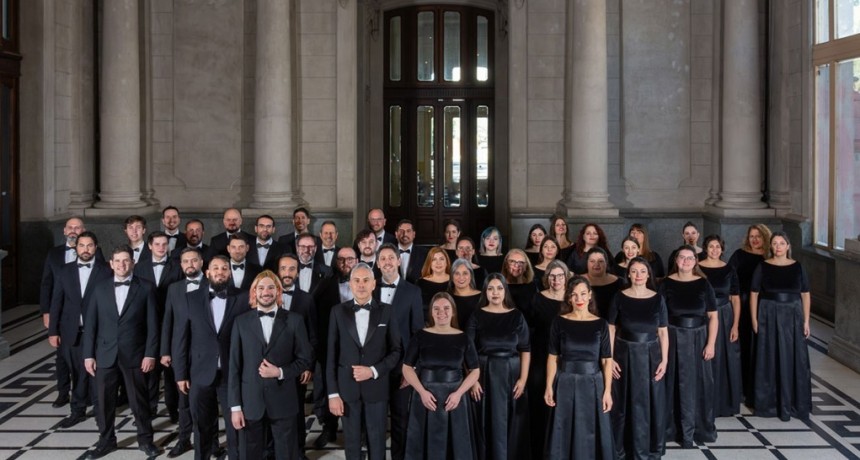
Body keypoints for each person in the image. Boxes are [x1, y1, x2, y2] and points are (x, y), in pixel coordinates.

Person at [82, 245, 161, 459]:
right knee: (104, 402)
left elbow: (154, 325)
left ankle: (146, 440)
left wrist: (150, 354)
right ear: (111, 263)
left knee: (139, 402)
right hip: (104, 355)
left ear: (132, 263)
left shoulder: (146, 287)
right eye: (117, 261)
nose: (121, 265)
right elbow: (90, 325)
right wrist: (88, 355)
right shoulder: (99, 288)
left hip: (135, 355)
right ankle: (106, 441)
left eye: (126, 260)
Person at [228, 271, 313, 460]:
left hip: (284, 401)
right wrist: (235, 408)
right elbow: (234, 367)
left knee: (287, 454)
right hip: (251, 402)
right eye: (261, 288)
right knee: (250, 454)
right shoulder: (240, 323)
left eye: (270, 287)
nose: (265, 292)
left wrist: (280, 372)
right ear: (254, 293)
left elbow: (305, 360)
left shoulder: (295, 320)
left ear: (278, 292)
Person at [173, 255, 247, 460]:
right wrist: (180, 374)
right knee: (202, 424)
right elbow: (181, 338)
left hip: (232, 373)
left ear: (230, 273)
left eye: (225, 268)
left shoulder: (242, 298)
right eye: (216, 268)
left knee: (236, 422)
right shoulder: (191, 298)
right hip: (199, 371)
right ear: (207, 272)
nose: (220, 272)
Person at [326, 263, 403, 460]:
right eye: (356, 281)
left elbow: (396, 351)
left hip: (377, 389)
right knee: (351, 444)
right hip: (347, 390)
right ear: (350, 284)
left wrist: (373, 371)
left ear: (374, 284)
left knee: (377, 443)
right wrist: (333, 393)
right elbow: (331, 356)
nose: (361, 285)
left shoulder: (387, 311)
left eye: (365, 280)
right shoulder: (337, 311)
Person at [402, 292, 481, 460]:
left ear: (452, 311)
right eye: (436, 309)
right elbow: (407, 367)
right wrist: (422, 392)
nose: (441, 312)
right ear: (431, 312)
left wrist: (459, 394)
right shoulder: (420, 336)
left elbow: (475, 370)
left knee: (457, 446)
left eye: (446, 308)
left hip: (455, 398)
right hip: (424, 396)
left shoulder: (463, 337)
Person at [544, 277, 614, 459]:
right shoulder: (559, 322)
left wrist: (607, 392)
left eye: (583, 293)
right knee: (563, 429)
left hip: (593, 383)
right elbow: (552, 357)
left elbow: (607, 360)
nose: (579, 298)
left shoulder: (601, 324)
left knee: (591, 431)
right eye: (574, 295)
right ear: (569, 298)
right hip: (565, 380)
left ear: (590, 295)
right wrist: (549, 386)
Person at [606, 257, 669, 460]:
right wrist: (611, 358)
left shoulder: (658, 298)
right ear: (629, 274)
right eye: (634, 271)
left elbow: (663, 332)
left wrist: (665, 360)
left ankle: (649, 447)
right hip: (624, 354)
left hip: (651, 355)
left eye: (643, 271)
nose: (639, 275)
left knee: (648, 401)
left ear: (649, 274)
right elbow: (611, 328)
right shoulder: (619, 296)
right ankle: (621, 447)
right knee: (623, 401)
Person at [48, 231, 112, 428]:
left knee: (96, 374)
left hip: (98, 333)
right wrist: (52, 331)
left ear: (96, 247)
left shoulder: (106, 271)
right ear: (76, 248)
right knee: (76, 373)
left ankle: (101, 413)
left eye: (90, 245)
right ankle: (77, 411)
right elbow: (56, 302)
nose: (86, 249)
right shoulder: (64, 271)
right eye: (82, 245)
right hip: (71, 331)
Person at [466, 273, 531, 460]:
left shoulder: (517, 316)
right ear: (485, 292)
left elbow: (525, 349)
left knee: (512, 424)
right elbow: (468, 351)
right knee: (486, 423)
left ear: (505, 291)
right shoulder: (476, 316)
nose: (495, 293)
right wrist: (473, 381)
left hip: (512, 376)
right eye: (491, 288)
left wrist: (523, 380)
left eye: (499, 288)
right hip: (484, 376)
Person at [660, 245, 718, 448]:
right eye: (682, 258)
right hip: (673, 337)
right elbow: (660, 318)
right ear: (676, 261)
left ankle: (698, 428)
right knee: (673, 383)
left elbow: (713, 316)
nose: (685, 261)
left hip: (699, 338)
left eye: (690, 258)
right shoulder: (666, 284)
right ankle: (673, 429)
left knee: (699, 384)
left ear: (695, 261)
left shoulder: (704, 284)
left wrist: (710, 343)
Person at [750, 231, 812, 421]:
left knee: (794, 357)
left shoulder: (798, 267)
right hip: (768, 313)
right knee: (769, 356)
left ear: (788, 246)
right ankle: (768, 403)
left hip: (793, 315)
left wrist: (806, 320)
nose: (778, 247)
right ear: (771, 247)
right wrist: (754, 319)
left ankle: (794, 402)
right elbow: (753, 293)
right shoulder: (763, 266)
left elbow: (805, 294)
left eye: (781, 243)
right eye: (775, 243)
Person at [372, 244, 424, 460]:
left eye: (391, 258)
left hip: (401, 367)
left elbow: (417, 333)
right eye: (382, 258)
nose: (387, 262)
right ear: (377, 263)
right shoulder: (369, 288)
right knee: (374, 422)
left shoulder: (413, 291)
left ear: (399, 261)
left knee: (401, 420)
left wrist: (410, 368)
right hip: (373, 367)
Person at [40, 217, 91, 409]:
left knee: (83, 354)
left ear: (83, 230)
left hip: (83, 313)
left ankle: (85, 393)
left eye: (77, 227)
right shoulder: (54, 253)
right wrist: (46, 312)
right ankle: (63, 392)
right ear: (64, 230)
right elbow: (46, 284)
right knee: (61, 355)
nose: (73, 230)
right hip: (59, 311)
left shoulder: (94, 252)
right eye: (70, 227)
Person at [159, 247, 204, 458]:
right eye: (186, 262)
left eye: (194, 261)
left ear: (201, 262)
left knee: (206, 402)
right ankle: (184, 439)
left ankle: (209, 443)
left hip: (204, 352)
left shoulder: (212, 284)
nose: (190, 265)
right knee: (183, 401)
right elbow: (167, 321)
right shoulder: (174, 288)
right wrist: (165, 351)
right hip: (180, 351)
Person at [133, 231, 183, 420]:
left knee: (171, 371)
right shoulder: (139, 268)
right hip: (147, 327)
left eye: (165, 244)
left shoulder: (177, 267)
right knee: (150, 371)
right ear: (150, 246)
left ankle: (173, 410)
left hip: (171, 324)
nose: (162, 248)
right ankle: (151, 408)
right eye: (158, 244)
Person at [525, 260, 569, 459]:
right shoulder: (537, 299)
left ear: (566, 278)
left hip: (567, 358)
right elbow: (529, 329)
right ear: (546, 278)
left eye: (560, 276)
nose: (556, 280)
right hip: (541, 355)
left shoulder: (572, 299)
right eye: (552, 275)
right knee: (540, 400)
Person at [277, 253, 319, 459]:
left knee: (297, 411)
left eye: (291, 269)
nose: (287, 273)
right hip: (271, 366)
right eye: (284, 269)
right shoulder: (266, 294)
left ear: (298, 271)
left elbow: (313, 335)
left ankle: (299, 451)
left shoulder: (306, 298)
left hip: (297, 366)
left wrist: (308, 365)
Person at [699, 234, 742, 416]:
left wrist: (735, 325)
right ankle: (704, 400)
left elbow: (735, 299)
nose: (714, 250)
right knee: (704, 355)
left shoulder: (729, 269)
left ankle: (722, 402)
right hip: (702, 315)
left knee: (724, 358)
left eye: (718, 246)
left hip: (724, 315)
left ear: (722, 249)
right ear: (705, 249)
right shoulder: (697, 268)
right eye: (711, 246)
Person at [728, 223, 771, 406]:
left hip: (763, 305)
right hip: (741, 304)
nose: (754, 240)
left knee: (760, 346)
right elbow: (729, 277)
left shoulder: (769, 258)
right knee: (742, 345)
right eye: (752, 236)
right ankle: (741, 387)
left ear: (765, 238)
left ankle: (758, 387)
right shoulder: (739, 255)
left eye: (758, 236)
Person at [583, 247, 623, 319]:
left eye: (600, 261)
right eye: (592, 261)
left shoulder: (620, 282)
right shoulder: (577, 282)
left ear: (606, 263)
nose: (596, 264)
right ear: (586, 262)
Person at [448, 258, 483, 331]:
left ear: (471, 275)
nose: (461, 277)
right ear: (452, 276)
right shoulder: (447, 297)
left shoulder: (482, 297)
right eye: (457, 273)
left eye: (465, 273)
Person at [397, 219, 428, 284]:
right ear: (396, 234)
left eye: (408, 231)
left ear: (414, 234)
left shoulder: (424, 253)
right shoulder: (389, 252)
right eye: (401, 231)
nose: (405, 234)